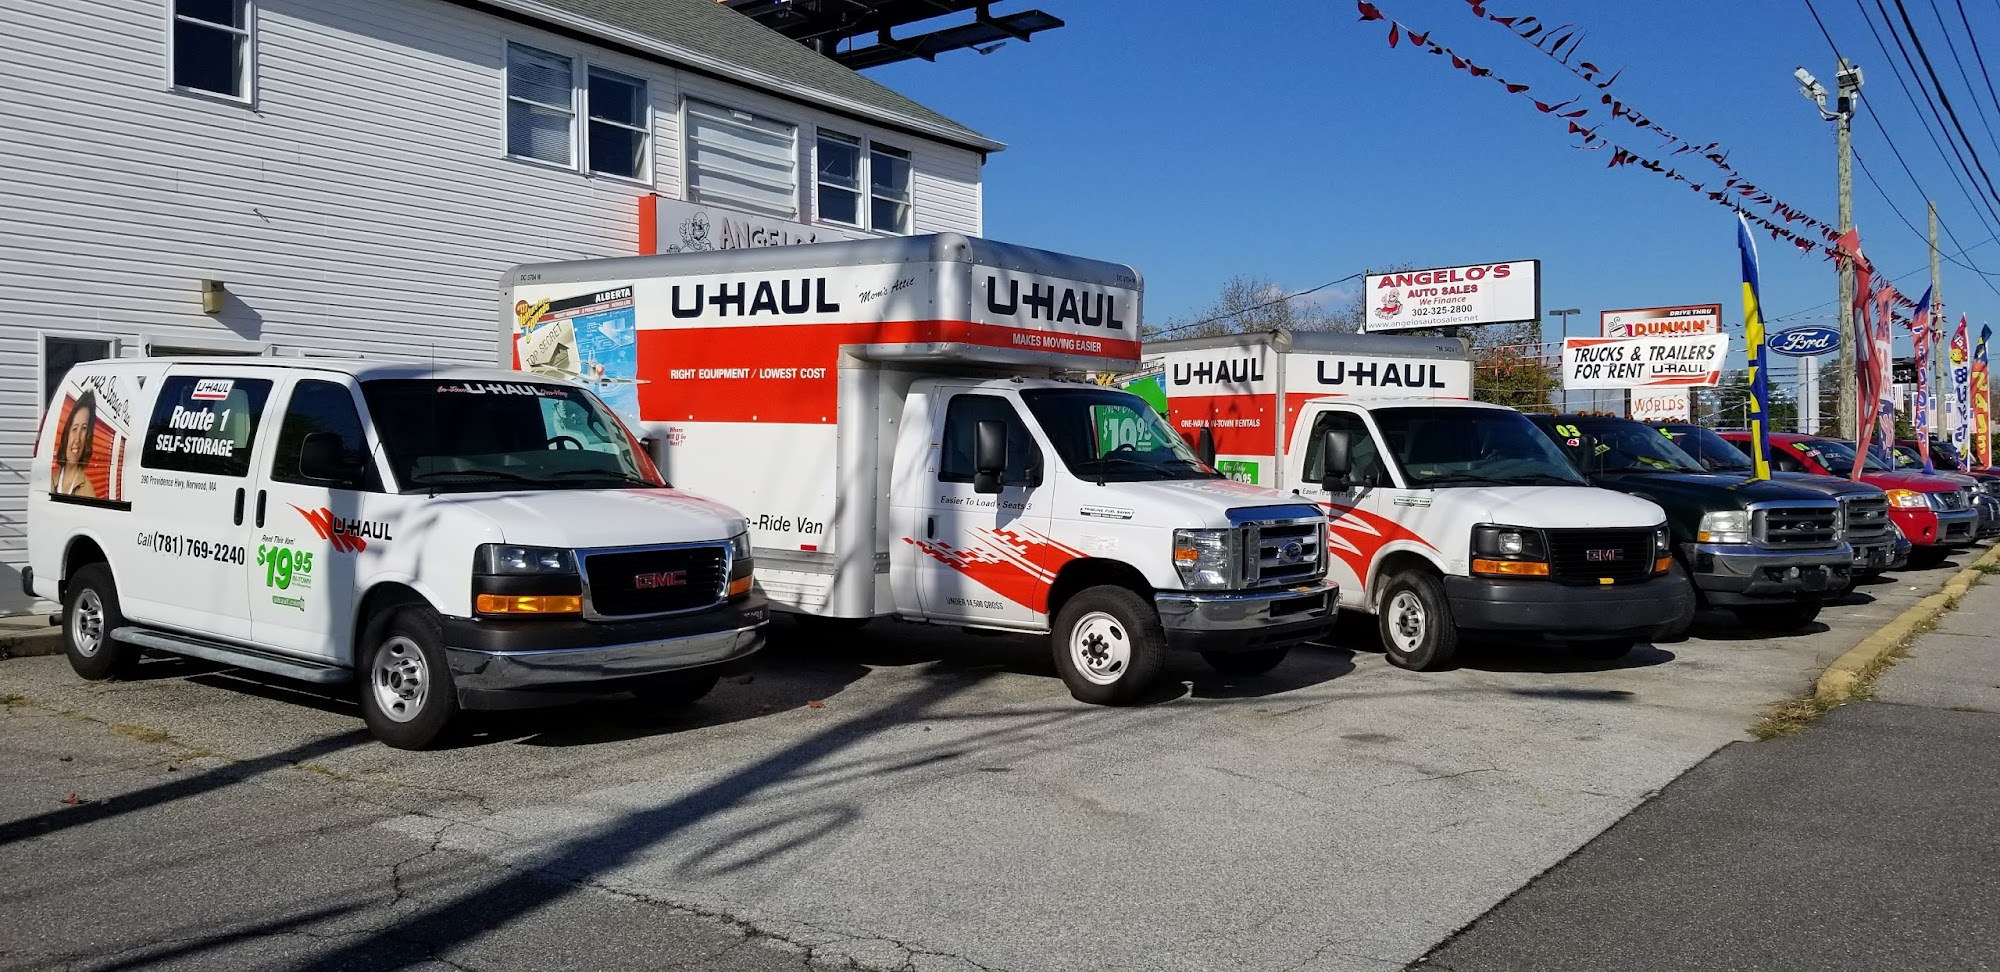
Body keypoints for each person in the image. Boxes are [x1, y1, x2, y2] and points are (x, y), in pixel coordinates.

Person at [53, 391, 99, 499]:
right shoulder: (50, 481)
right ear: (66, 434)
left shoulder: (88, 491)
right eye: (74, 429)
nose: (77, 439)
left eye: (84, 429)